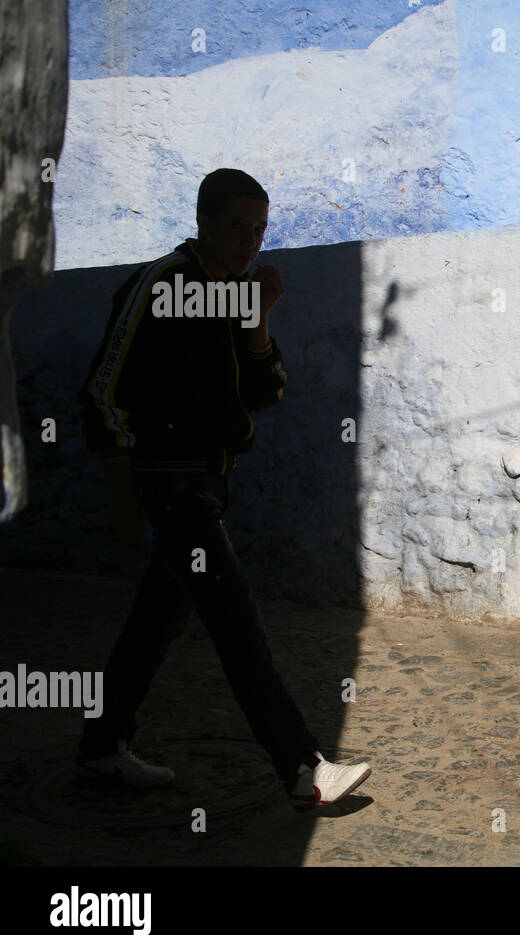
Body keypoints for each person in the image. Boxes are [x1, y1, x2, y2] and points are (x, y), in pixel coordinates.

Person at [75, 168, 372, 806]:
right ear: (203, 221)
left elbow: (266, 391)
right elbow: (102, 388)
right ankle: (303, 767)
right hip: (171, 486)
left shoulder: (234, 294)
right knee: (236, 624)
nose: (248, 242)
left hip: (210, 481)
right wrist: (123, 494)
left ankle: (101, 745)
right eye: (236, 227)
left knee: (154, 623)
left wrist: (258, 319)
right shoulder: (164, 283)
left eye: (259, 230)